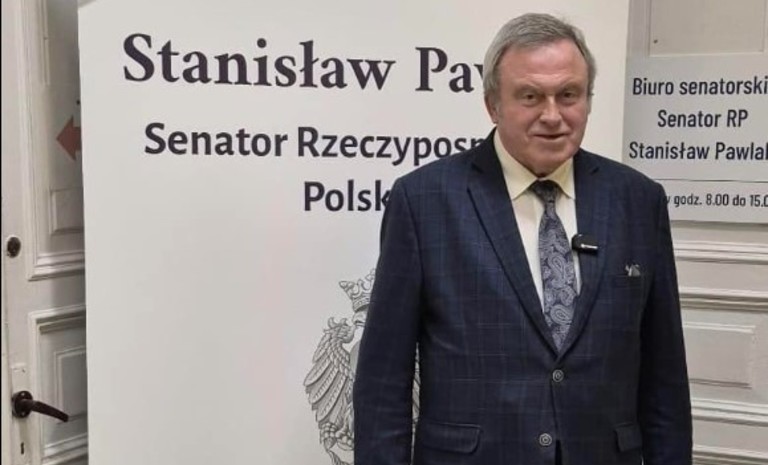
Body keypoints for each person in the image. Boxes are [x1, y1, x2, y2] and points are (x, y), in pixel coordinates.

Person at [352, 12, 692, 465]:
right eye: (530, 96)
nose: (552, 116)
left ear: (588, 100)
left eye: (568, 95)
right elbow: (383, 381)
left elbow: (664, 376)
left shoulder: (637, 200)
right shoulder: (424, 201)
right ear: (493, 105)